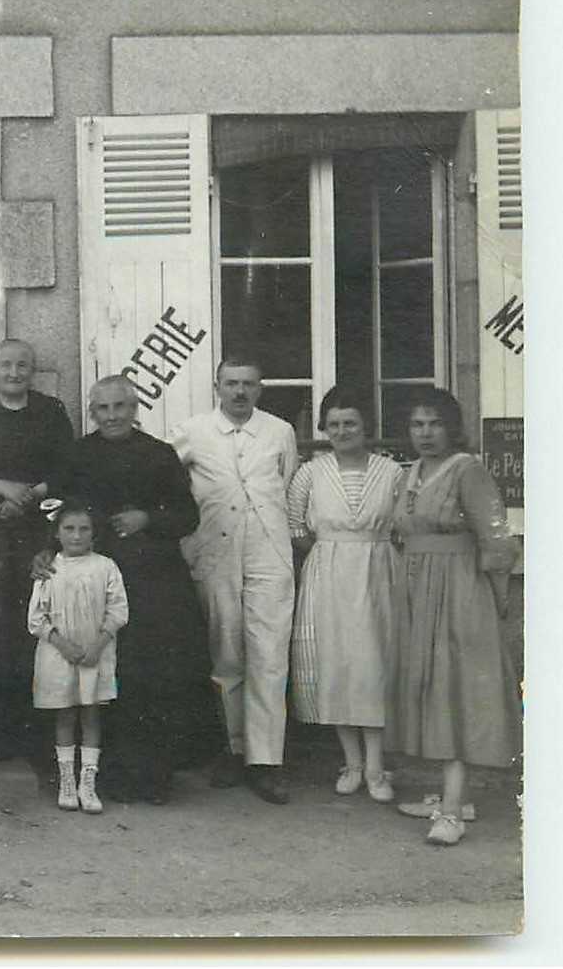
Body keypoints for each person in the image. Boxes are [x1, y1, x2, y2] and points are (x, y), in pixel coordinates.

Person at [52, 376, 214, 804]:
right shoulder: (78, 455)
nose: (112, 416)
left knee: (151, 675)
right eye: (103, 409)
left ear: (134, 407)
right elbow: (56, 511)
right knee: (104, 675)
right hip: (94, 579)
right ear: (91, 413)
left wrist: (148, 519)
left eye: (120, 406)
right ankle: (104, 777)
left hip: (153, 580)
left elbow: (187, 516)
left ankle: (154, 777)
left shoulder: (159, 455)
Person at [388, 389, 521, 846]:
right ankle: (451, 795)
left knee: (455, 688)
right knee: (428, 689)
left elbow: (499, 540)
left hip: (461, 591)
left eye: (435, 424)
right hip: (418, 590)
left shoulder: (468, 470)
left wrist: (489, 598)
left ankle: (452, 810)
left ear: (452, 427)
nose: (425, 434)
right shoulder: (412, 474)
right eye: (417, 425)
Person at [171, 357, 300, 804]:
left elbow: (283, 482)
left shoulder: (279, 431)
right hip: (216, 550)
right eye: (231, 384)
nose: (239, 392)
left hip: (269, 550)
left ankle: (266, 761)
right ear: (217, 386)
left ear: (260, 389)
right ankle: (234, 748)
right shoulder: (192, 430)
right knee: (225, 652)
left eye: (248, 384)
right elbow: (170, 480)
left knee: (269, 654)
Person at [0, 338, 74, 759]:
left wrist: (30, 494)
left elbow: (65, 466)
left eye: (23, 364)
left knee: (34, 619)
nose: (14, 372)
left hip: (37, 529)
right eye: (5, 365)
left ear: (32, 370)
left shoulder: (51, 412)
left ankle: (34, 731)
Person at [287, 387, 404, 802]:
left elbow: (404, 524)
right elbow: (295, 526)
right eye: (333, 424)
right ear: (323, 428)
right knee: (335, 662)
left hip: (377, 571)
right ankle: (351, 762)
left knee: (373, 663)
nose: (341, 431)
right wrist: (328, 553)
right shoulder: (310, 473)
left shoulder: (391, 472)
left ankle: (376, 767)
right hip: (328, 573)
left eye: (350, 423)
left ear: (366, 426)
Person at [28, 501, 129, 814]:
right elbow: (36, 618)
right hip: (60, 654)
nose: (76, 535)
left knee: (91, 714)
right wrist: (63, 644)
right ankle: (67, 781)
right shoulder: (49, 568)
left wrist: (97, 645)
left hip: (94, 653)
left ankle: (88, 783)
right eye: (69, 529)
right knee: (65, 714)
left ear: (94, 534)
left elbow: (118, 610)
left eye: (84, 529)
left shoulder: (105, 566)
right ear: (57, 533)